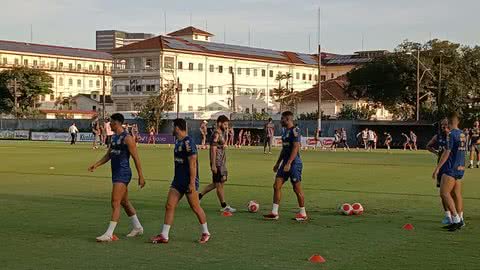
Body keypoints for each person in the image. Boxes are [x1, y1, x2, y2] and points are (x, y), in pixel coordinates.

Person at [150, 118, 210, 244]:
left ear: (177, 128)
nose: (172, 129)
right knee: (169, 206)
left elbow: (193, 164)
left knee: (195, 207)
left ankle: (206, 232)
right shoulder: (178, 142)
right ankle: (164, 235)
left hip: (188, 181)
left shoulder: (188, 142)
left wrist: (192, 183)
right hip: (177, 181)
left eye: (173, 127)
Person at [88, 113, 146, 242]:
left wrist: (141, 176)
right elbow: (108, 155)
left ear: (117, 123)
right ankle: (137, 227)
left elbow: (136, 158)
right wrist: (96, 165)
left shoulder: (128, 138)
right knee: (124, 202)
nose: (109, 124)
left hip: (123, 173)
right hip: (116, 173)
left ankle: (109, 234)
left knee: (115, 202)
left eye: (111, 122)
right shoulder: (114, 138)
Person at [264, 111, 307, 221]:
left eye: (282, 119)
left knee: (297, 189)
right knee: (276, 186)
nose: (280, 121)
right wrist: (278, 163)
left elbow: (296, 147)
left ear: (288, 119)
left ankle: (303, 213)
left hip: (294, 164)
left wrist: (288, 163)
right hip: (285, 164)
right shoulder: (284, 132)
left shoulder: (295, 130)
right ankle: (274, 212)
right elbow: (284, 149)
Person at [432, 112, 466, 231]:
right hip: (460, 167)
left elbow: (447, 152)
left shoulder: (451, 134)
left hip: (451, 168)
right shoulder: (463, 134)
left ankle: (455, 219)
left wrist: (437, 168)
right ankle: (461, 219)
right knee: (456, 194)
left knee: (444, 193)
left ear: (450, 122)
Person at [199, 115, 236, 213]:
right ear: (219, 123)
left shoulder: (222, 133)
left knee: (218, 183)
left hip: (222, 162)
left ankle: (198, 196)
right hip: (218, 163)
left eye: (227, 124)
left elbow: (220, 146)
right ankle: (224, 205)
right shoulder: (216, 134)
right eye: (225, 124)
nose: (226, 126)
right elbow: (213, 149)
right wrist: (213, 164)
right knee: (219, 184)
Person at [426, 118, 453, 225]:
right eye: (442, 125)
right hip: (441, 167)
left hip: (451, 167)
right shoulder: (438, 136)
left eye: (446, 124)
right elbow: (428, 146)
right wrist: (436, 152)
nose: (444, 126)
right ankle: (448, 216)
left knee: (452, 193)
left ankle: (457, 216)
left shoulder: (453, 136)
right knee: (443, 193)